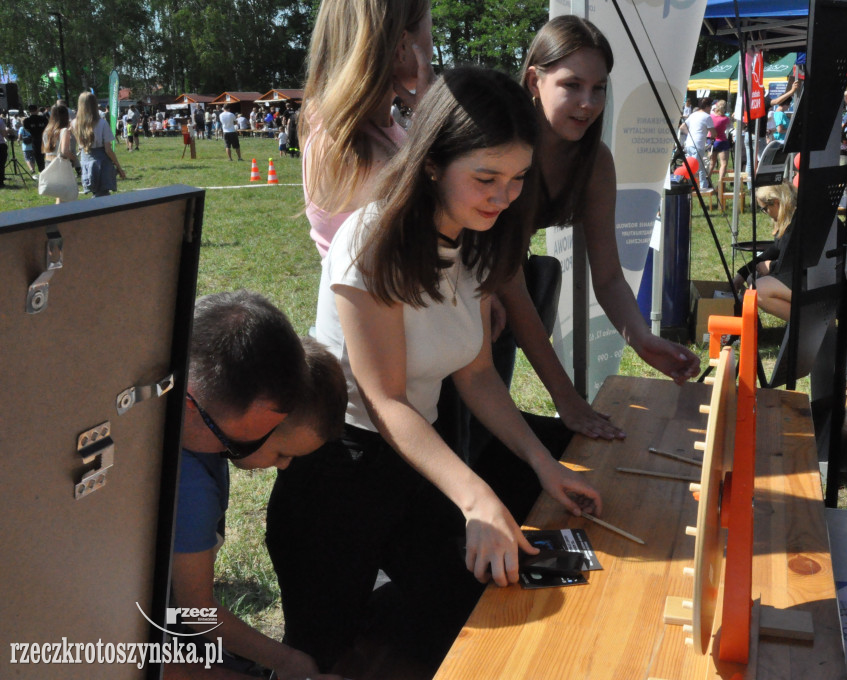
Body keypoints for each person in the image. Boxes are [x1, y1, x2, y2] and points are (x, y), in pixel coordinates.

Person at [266, 67, 602, 676]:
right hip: (336, 474)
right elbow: (386, 400)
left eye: (518, 179)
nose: (504, 196)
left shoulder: (474, 240)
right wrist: (477, 496)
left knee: (447, 627)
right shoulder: (369, 245)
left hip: (415, 459)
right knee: (322, 656)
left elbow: (476, 375)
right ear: (429, 164)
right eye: (486, 178)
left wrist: (541, 462)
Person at [492, 14, 700, 444]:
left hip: (493, 302)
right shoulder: (504, 146)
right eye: (572, 85)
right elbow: (510, 287)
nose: (588, 102)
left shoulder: (595, 162)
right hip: (452, 297)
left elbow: (607, 275)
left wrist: (642, 339)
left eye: (599, 88)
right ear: (534, 81)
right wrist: (566, 398)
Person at [166, 291, 342, 680]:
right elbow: (192, 611)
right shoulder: (192, 486)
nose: (284, 466)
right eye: (280, 453)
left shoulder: (205, 440)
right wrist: (288, 661)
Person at [300, 0, 434, 259]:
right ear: (403, 46)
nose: (432, 42)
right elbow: (439, 242)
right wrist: (433, 114)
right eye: (431, 28)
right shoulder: (366, 154)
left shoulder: (326, 120)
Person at [732, 182, 797, 321]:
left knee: (756, 291)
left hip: (818, 280)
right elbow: (776, 249)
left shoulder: (798, 223)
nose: (765, 213)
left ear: (776, 203)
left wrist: (771, 266)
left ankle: (807, 323)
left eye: (764, 209)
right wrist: (743, 273)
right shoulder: (791, 218)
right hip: (805, 275)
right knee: (752, 278)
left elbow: (799, 261)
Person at [71, 92, 126, 197]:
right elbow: (108, 150)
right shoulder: (102, 123)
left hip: (85, 159)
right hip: (102, 161)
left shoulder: (74, 123)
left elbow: (79, 145)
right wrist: (118, 167)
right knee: (103, 196)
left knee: (97, 193)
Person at [39, 104, 78, 202]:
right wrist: (74, 158)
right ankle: (62, 215)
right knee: (66, 194)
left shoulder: (47, 130)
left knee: (60, 194)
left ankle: (60, 214)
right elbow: (64, 151)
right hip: (60, 163)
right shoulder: (64, 130)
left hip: (48, 162)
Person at [681, 96, 714, 190]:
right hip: (698, 145)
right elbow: (714, 133)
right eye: (710, 106)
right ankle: (691, 187)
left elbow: (682, 127)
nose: (711, 109)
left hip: (689, 144)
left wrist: (690, 134)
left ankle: (704, 186)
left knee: (701, 166)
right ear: (707, 106)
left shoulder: (693, 115)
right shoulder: (707, 117)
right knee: (694, 168)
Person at [708, 100, 732, 181]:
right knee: (724, 164)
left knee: (711, 163)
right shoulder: (725, 119)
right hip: (722, 141)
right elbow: (730, 127)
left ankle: (707, 180)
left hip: (711, 141)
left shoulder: (710, 116)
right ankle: (720, 184)